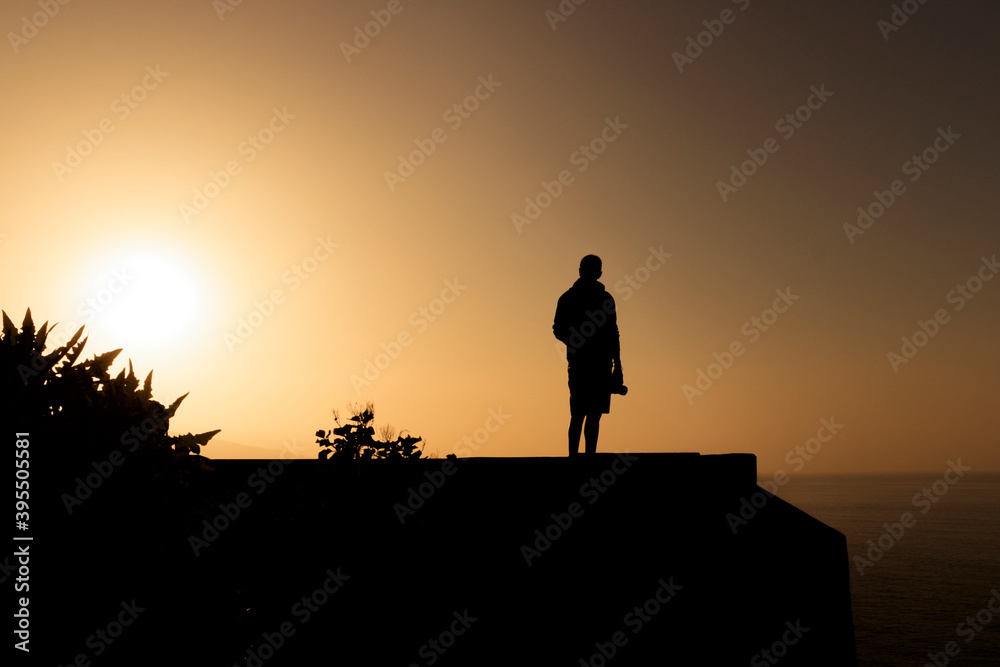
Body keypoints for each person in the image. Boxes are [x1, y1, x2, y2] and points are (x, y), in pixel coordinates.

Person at [553, 255, 623, 456]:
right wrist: (577, 341)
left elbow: (613, 333)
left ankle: (586, 459)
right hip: (581, 365)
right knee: (579, 415)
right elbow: (558, 329)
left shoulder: (604, 299)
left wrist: (617, 366)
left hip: (600, 365)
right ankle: (574, 459)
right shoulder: (569, 298)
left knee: (592, 416)